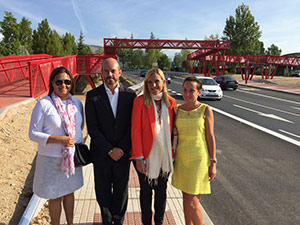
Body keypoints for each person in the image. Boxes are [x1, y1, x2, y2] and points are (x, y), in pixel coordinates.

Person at [29, 66, 84, 225]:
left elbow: (79, 129)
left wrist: (71, 142)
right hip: (50, 160)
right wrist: (60, 140)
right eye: (59, 82)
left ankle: (70, 223)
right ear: (52, 83)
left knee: (69, 193)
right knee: (55, 196)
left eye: (67, 81)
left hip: (71, 159)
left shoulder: (76, 103)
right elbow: (33, 133)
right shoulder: (43, 104)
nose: (63, 85)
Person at [85, 58, 136, 225]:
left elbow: (132, 125)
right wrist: (109, 149)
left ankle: (118, 221)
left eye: (113, 71)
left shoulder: (130, 95)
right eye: (106, 71)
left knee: (121, 191)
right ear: (101, 74)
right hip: (101, 154)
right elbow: (92, 128)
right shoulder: (92, 96)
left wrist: (121, 148)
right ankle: (107, 221)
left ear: (119, 73)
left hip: (123, 153)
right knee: (102, 191)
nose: (110, 75)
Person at [131, 68, 176, 225]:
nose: (153, 85)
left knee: (162, 193)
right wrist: (138, 158)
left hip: (165, 157)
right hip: (145, 157)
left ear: (163, 82)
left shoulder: (171, 103)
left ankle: (159, 222)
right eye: (149, 82)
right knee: (145, 193)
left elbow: (174, 131)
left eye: (156, 81)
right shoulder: (139, 102)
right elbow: (135, 131)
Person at [171, 76, 217, 225]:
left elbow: (210, 137)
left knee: (193, 201)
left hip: (198, 160)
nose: (188, 94)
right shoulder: (177, 110)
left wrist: (213, 162)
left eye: (192, 90)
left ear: (199, 92)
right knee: (185, 200)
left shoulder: (205, 110)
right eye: (185, 90)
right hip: (182, 160)